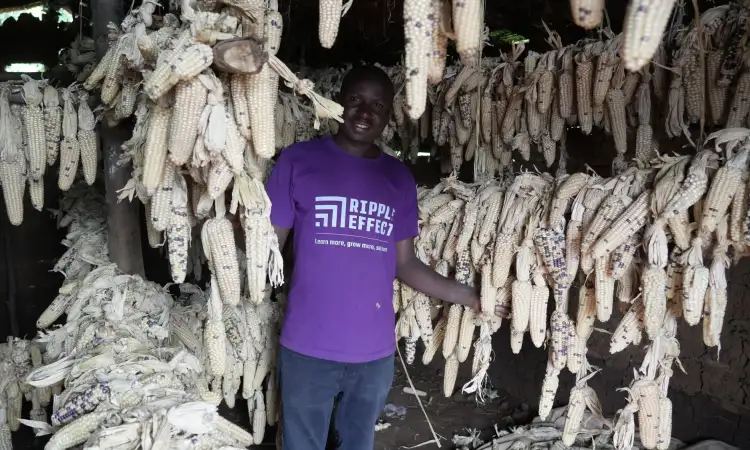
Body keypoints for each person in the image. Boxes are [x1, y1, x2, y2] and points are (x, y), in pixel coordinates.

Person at [265, 65, 510, 450]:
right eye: (356, 100)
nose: (365, 112)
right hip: (308, 345)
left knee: (357, 442)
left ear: (388, 114)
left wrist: (469, 295)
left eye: (377, 105)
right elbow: (268, 251)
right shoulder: (298, 161)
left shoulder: (397, 179)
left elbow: (405, 264)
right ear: (338, 103)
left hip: (373, 352)